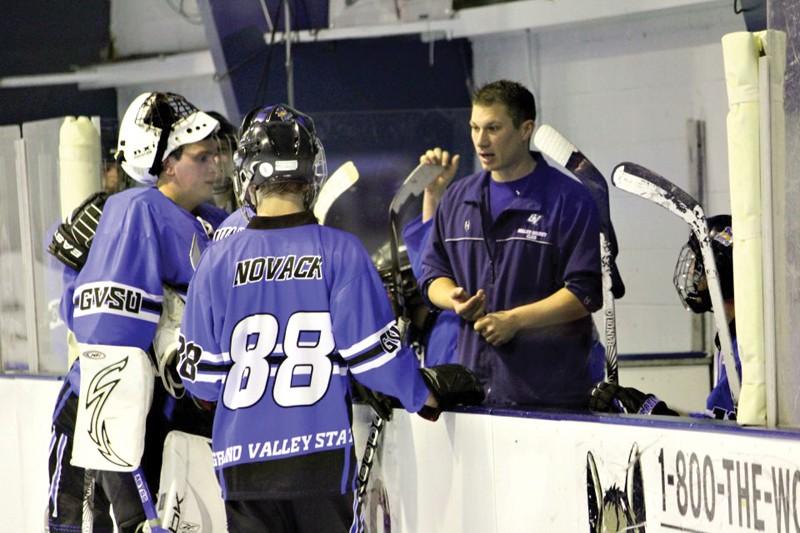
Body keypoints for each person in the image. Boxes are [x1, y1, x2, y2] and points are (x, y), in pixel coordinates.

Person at [177, 103, 482, 532]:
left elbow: (201, 380)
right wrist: (425, 396)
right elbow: (375, 360)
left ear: (248, 174)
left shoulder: (216, 260)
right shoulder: (339, 251)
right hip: (319, 462)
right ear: (311, 173)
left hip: (242, 464)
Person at [46, 91, 228, 532]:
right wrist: (133, 514)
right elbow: (109, 359)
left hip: (170, 414)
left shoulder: (215, 222)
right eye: (200, 156)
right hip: (107, 418)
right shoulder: (133, 213)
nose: (214, 165)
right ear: (167, 163)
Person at [419, 80, 603, 408]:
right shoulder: (459, 198)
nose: (480, 140)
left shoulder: (568, 200)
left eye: (493, 128)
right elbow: (432, 276)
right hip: (474, 392)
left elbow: (584, 293)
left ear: (525, 129)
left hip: (549, 397)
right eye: (474, 127)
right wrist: (454, 300)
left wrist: (515, 321)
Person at [590, 215, 739, 420]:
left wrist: (654, 412)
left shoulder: (745, 347)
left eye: (699, 263)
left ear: (722, 272)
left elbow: (721, 427)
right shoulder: (731, 334)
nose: (693, 270)